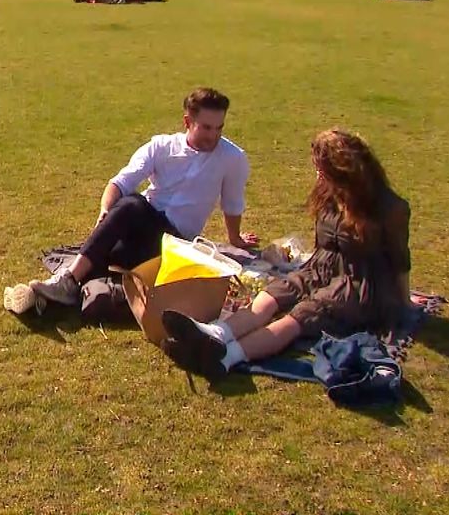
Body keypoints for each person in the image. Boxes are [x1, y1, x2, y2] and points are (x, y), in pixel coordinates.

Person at [159, 129, 410, 382]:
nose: (317, 176)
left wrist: (403, 301)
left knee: (305, 312)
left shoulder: (389, 208)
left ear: (343, 170)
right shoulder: (330, 193)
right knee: (276, 292)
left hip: (358, 283)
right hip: (321, 267)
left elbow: (400, 260)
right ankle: (216, 334)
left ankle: (226, 357)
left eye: (322, 170)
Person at [27, 88, 258, 308]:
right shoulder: (161, 146)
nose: (214, 136)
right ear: (187, 122)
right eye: (206, 128)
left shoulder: (232, 158)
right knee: (109, 245)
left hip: (174, 243)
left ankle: (67, 282)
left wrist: (235, 238)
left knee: (131, 205)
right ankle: (46, 295)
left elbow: (232, 203)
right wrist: (106, 213)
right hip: (140, 227)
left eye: (219, 128)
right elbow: (120, 182)